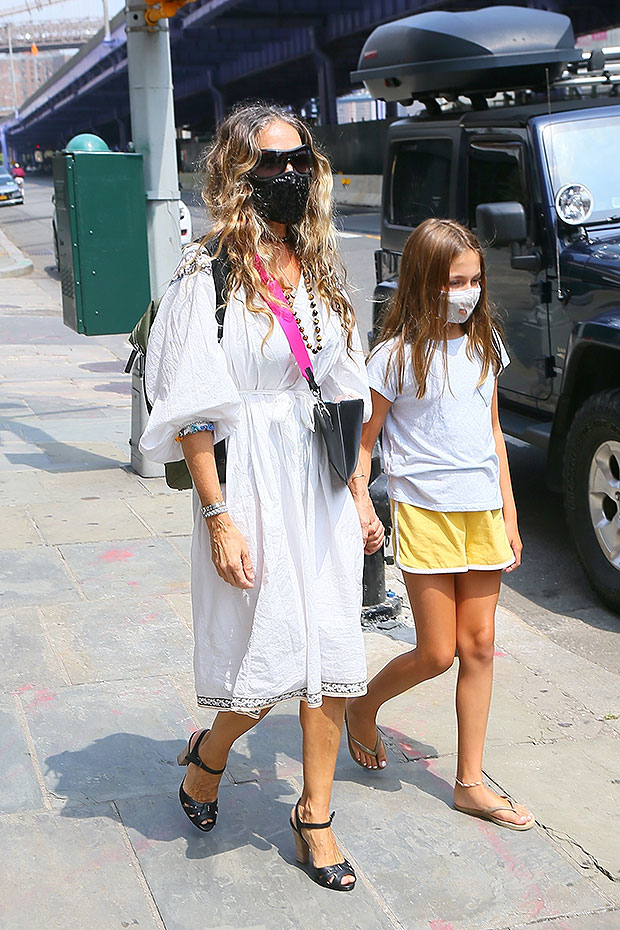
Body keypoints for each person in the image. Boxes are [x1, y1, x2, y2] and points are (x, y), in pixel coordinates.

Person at [139, 102, 384, 889]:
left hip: (318, 483)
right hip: (247, 481)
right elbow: (191, 413)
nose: (286, 175)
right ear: (236, 173)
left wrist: (361, 493)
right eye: (268, 163)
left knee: (332, 652)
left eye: (297, 160)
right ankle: (210, 755)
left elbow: (345, 392)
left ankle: (315, 815)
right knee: (266, 656)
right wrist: (218, 518)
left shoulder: (316, 263)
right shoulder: (204, 272)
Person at [346, 218, 534, 831]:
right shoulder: (393, 359)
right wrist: (363, 505)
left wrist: (508, 513)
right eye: (457, 281)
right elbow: (364, 445)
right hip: (425, 514)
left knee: (479, 645)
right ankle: (364, 705)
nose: (469, 291)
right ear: (425, 282)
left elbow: (494, 436)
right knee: (436, 652)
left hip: (481, 511)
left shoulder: (485, 346)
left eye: (476, 280)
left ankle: (469, 782)